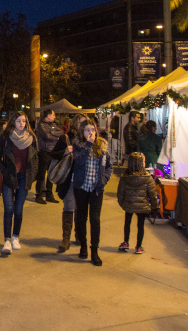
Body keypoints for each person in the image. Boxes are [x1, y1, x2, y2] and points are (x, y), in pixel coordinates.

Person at [0, 111, 38, 255]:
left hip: (24, 177)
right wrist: (4, 170)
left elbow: (36, 158)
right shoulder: (5, 137)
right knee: (9, 209)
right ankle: (7, 240)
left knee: (18, 210)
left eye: (24, 121)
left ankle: (15, 237)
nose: (21, 124)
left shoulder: (31, 138)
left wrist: (33, 174)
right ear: (13, 121)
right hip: (9, 177)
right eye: (18, 121)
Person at [72, 118, 113, 266]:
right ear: (82, 132)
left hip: (96, 189)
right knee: (81, 218)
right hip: (81, 188)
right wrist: (88, 145)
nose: (91, 133)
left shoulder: (101, 146)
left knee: (95, 220)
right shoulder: (78, 145)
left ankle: (94, 250)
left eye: (93, 130)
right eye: (87, 130)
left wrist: (104, 180)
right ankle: (83, 245)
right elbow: (79, 162)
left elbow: (109, 166)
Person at [52, 113, 86, 253]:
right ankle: (66, 238)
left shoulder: (89, 141)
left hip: (84, 180)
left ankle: (79, 235)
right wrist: (65, 151)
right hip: (70, 179)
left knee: (81, 208)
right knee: (69, 206)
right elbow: (53, 154)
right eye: (81, 123)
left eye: (86, 123)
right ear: (75, 124)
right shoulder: (66, 138)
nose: (84, 126)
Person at [117, 152, 157, 255]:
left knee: (127, 223)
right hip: (142, 206)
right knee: (140, 226)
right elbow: (152, 194)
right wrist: (154, 206)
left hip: (128, 205)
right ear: (141, 164)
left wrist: (123, 204)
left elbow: (120, 193)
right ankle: (138, 246)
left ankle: (126, 242)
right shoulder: (147, 178)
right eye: (143, 161)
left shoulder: (125, 177)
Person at [35, 109, 63, 204]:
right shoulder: (41, 125)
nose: (54, 117)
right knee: (41, 174)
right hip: (44, 152)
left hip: (53, 152)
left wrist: (52, 133)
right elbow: (46, 136)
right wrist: (55, 134)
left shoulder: (53, 125)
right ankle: (39, 195)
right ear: (48, 116)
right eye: (53, 115)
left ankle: (49, 195)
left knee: (51, 174)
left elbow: (61, 133)